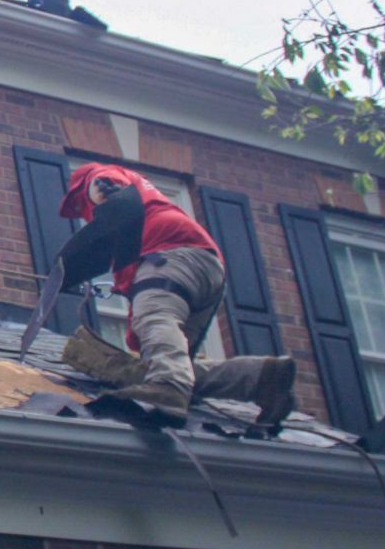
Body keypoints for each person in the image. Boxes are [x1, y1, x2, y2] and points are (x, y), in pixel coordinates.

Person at [55, 162, 296, 424]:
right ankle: (260, 378)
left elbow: (107, 184)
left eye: (79, 206)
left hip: (169, 255)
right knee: (165, 366)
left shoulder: (98, 178)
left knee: (163, 367)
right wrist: (139, 334)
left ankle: (168, 388)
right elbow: (139, 293)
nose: (83, 214)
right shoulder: (141, 214)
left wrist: (103, 190)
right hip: (204, 267)